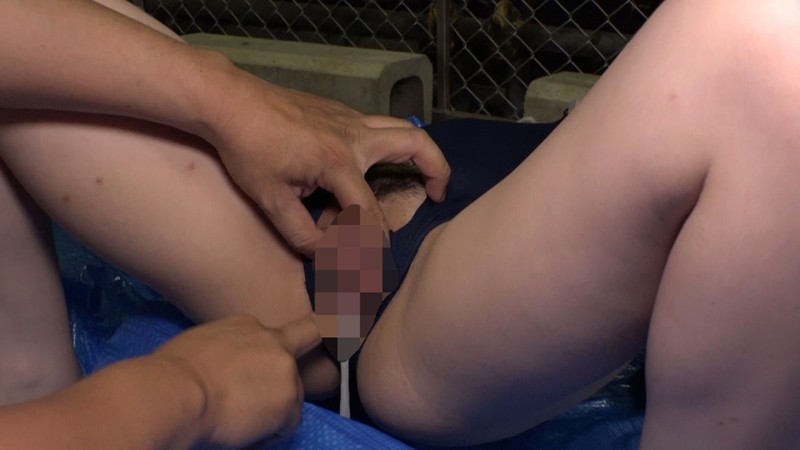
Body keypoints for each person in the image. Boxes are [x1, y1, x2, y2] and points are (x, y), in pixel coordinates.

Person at [4, 0, 800, 450]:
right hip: (365, 305)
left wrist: (237, 101)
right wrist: (191, 390)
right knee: (764, 49)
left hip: (417, 176)